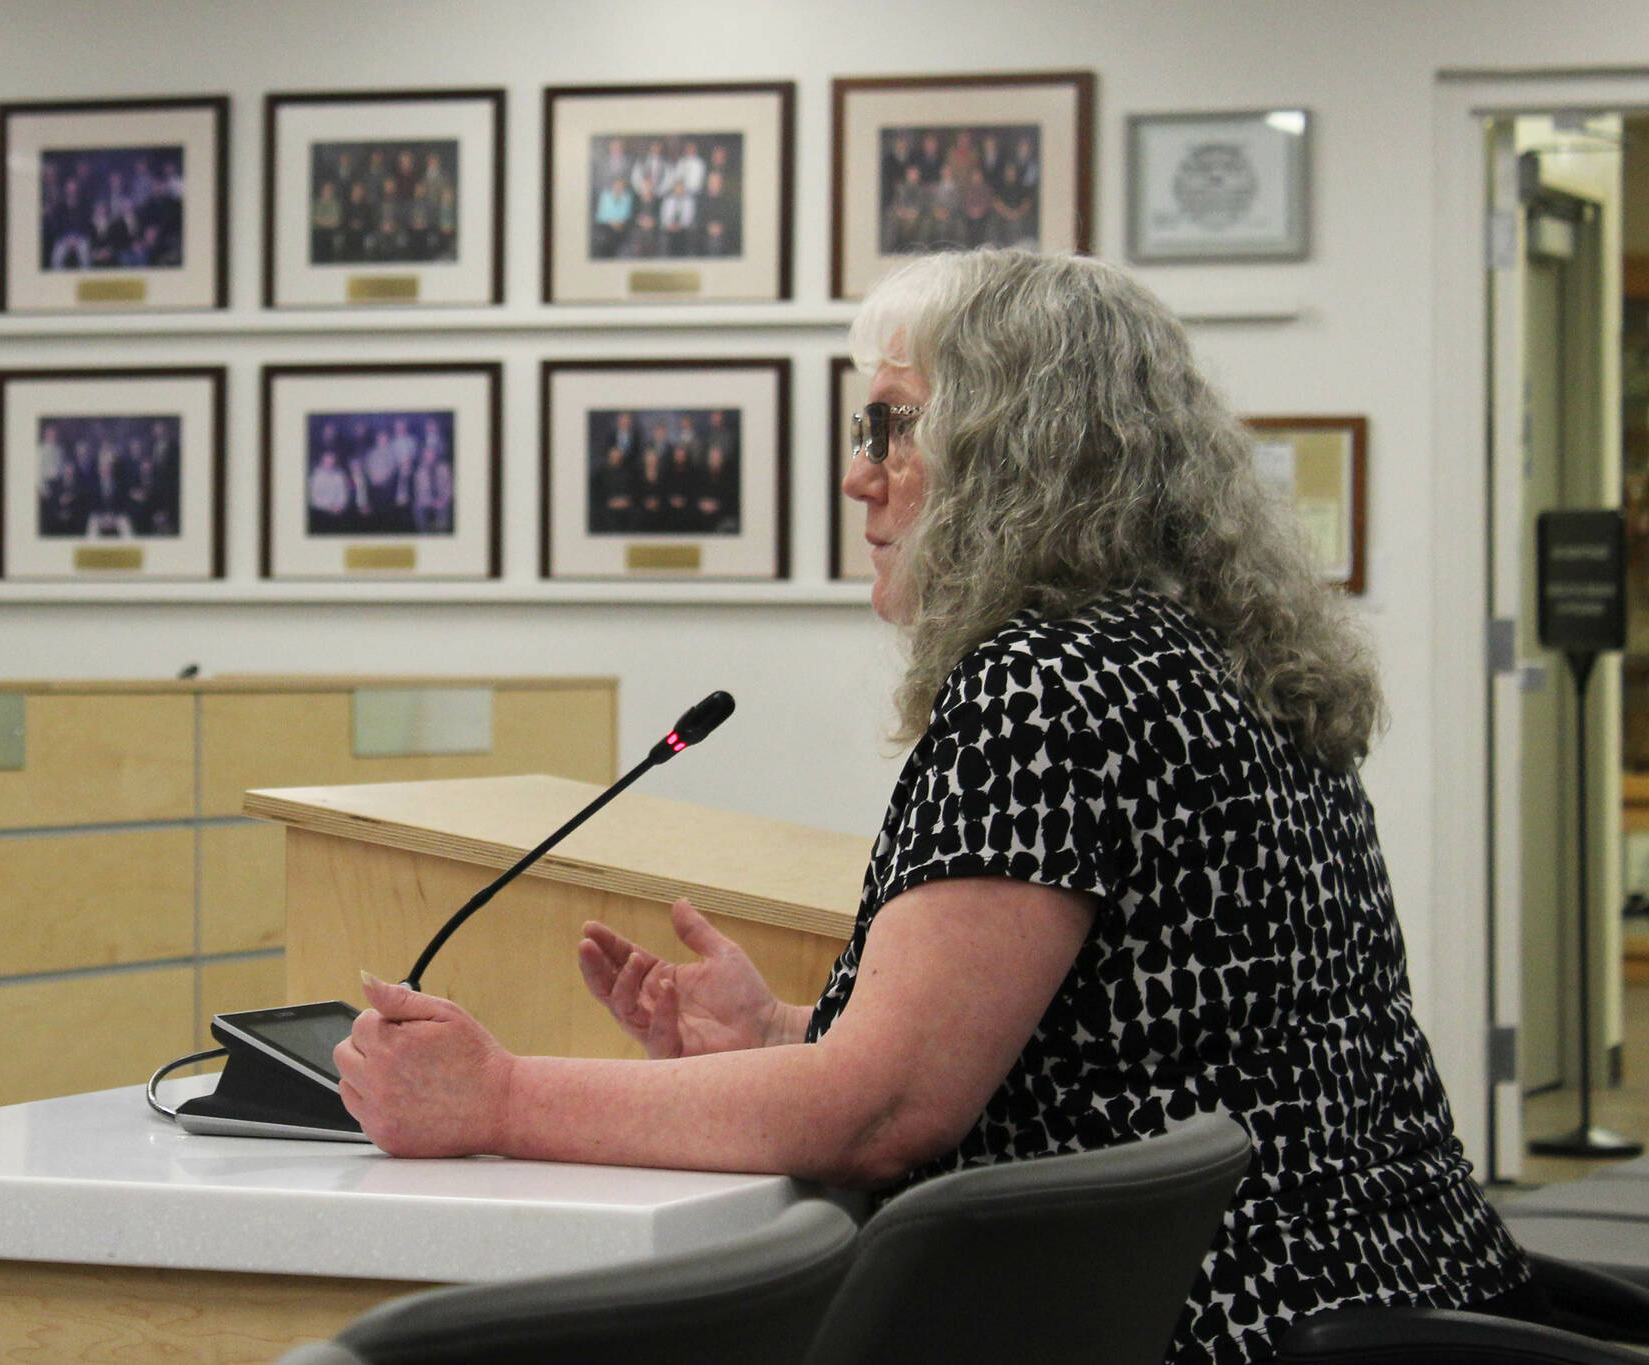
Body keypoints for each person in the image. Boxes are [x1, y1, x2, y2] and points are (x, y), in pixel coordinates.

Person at [331, 248, 1537, 1365]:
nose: (859, 472)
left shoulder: (1049, 687)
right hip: (1390, 1299)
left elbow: (886, 1115)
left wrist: (492, 1099)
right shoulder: (1218, 661)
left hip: (1193, 1325)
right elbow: (1118, 1051)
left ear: (1017, 451)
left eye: (891, 427)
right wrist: (776, 1036)